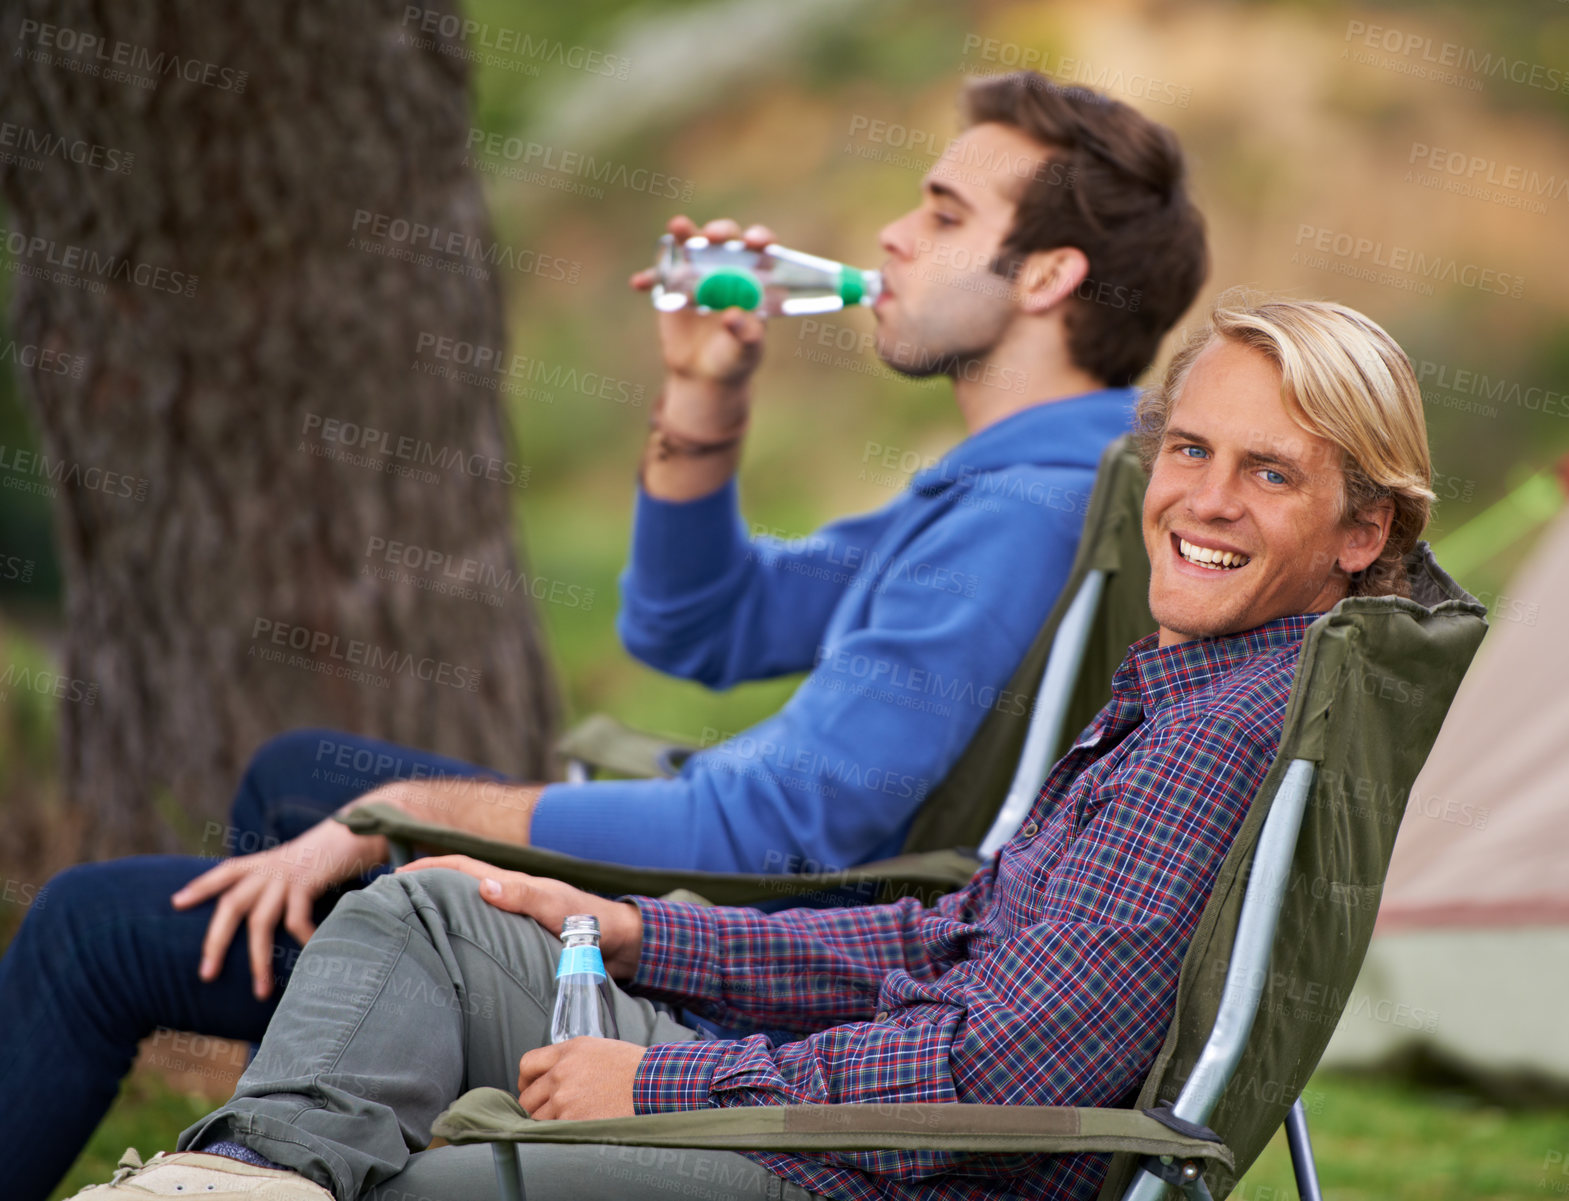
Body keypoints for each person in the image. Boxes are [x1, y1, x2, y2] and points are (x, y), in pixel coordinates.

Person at [2, 70, 1210, 1201]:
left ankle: (360, 1088)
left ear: (1047, 277)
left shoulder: (1009, 520)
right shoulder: (1031, 479)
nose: (892, 234)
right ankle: (358, 1089)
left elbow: (777, 833)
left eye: (942, 214)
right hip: (768, 889)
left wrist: (412, 810)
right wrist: (704, 396)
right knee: (300, 777)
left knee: (91, 930)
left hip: (758, 941)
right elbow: (700, 626)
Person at [71, 295, 1437, 1201]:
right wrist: (639, 931)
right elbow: (943, 939)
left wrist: (659, 1080)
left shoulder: (1218, 734)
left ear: (1360, 528)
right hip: (837, 1099)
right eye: (1188, 450)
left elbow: (1003, 1075)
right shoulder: (1191, 679)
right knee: (430, 909)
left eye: (1268, 472)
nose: (1199, 499)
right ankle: (243, 1172)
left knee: (419, 1168)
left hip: (868, 1165)